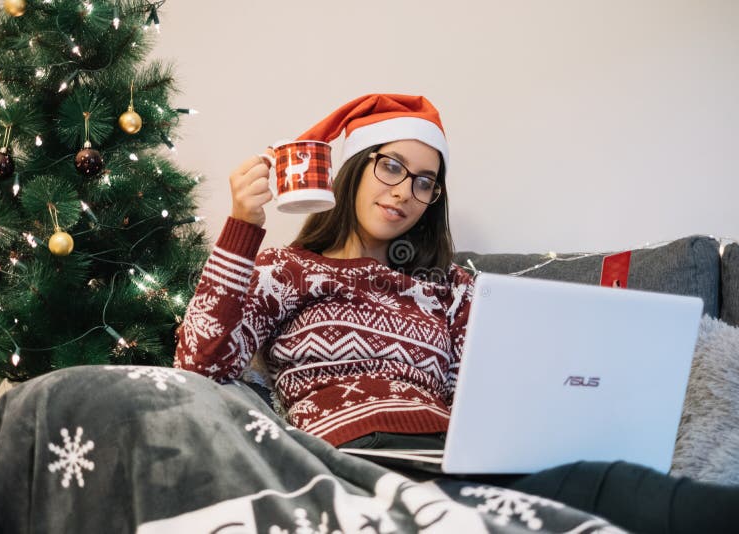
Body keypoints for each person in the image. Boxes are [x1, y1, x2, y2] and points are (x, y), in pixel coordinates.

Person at [175, 93, 736, 533]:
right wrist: (243, 226)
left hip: (453, 455)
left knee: (619, 487)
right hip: (350, 460)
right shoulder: (287, 269)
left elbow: (494, 391)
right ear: (352, 169)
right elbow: (199, 367)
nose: (406, 193)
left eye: (426, 182)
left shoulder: (452, 288)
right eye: (391, 167)